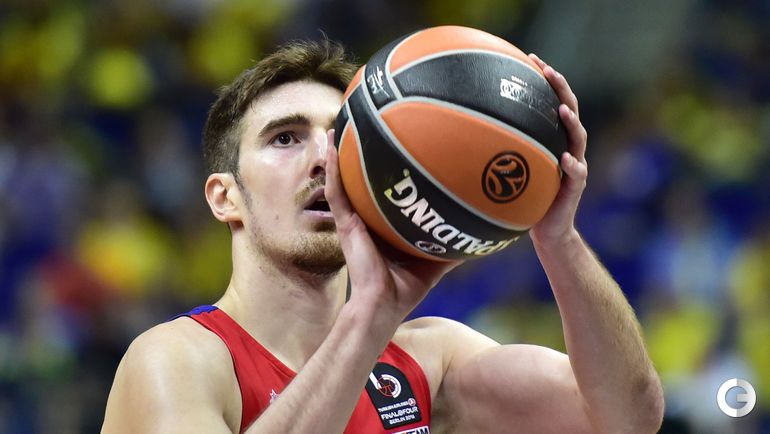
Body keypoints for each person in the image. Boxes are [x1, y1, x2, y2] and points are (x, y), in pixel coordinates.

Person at [101, 39, 664, 434]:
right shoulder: (177, 360)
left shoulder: (431, 361)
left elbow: (627, 419)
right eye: (285, 139)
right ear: (225, 197)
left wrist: (558, 238)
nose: (322, 159)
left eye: (338, 139)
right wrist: (368, 317)